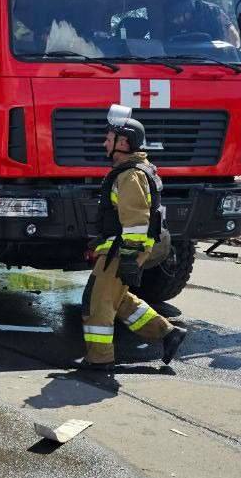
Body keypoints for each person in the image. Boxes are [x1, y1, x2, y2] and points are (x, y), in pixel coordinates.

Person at [78, 105, 188, 371]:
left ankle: (99, 359)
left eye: (109, 138)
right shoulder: (132, 171)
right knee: (118, 299)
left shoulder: (130, 175)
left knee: (98, 302)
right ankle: (167, 332)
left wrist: (128, 256)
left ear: (123, 142)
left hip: (124, 248)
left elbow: (137, 221)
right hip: (120, 246)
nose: (104, 142)